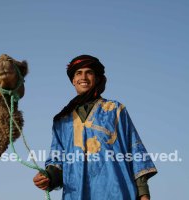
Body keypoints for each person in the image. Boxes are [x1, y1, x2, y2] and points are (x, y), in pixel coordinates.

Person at [33, 55, 157, 200]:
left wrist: (144, 194)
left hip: (117, 192)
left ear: (97, 78)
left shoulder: (115, 110)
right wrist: (48, 176)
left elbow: (135, 152)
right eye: (78, 73)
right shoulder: (61, 121)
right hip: (75, 194)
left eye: (89, 72)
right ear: (73, 80)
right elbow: (57, 159)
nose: (83, 77)